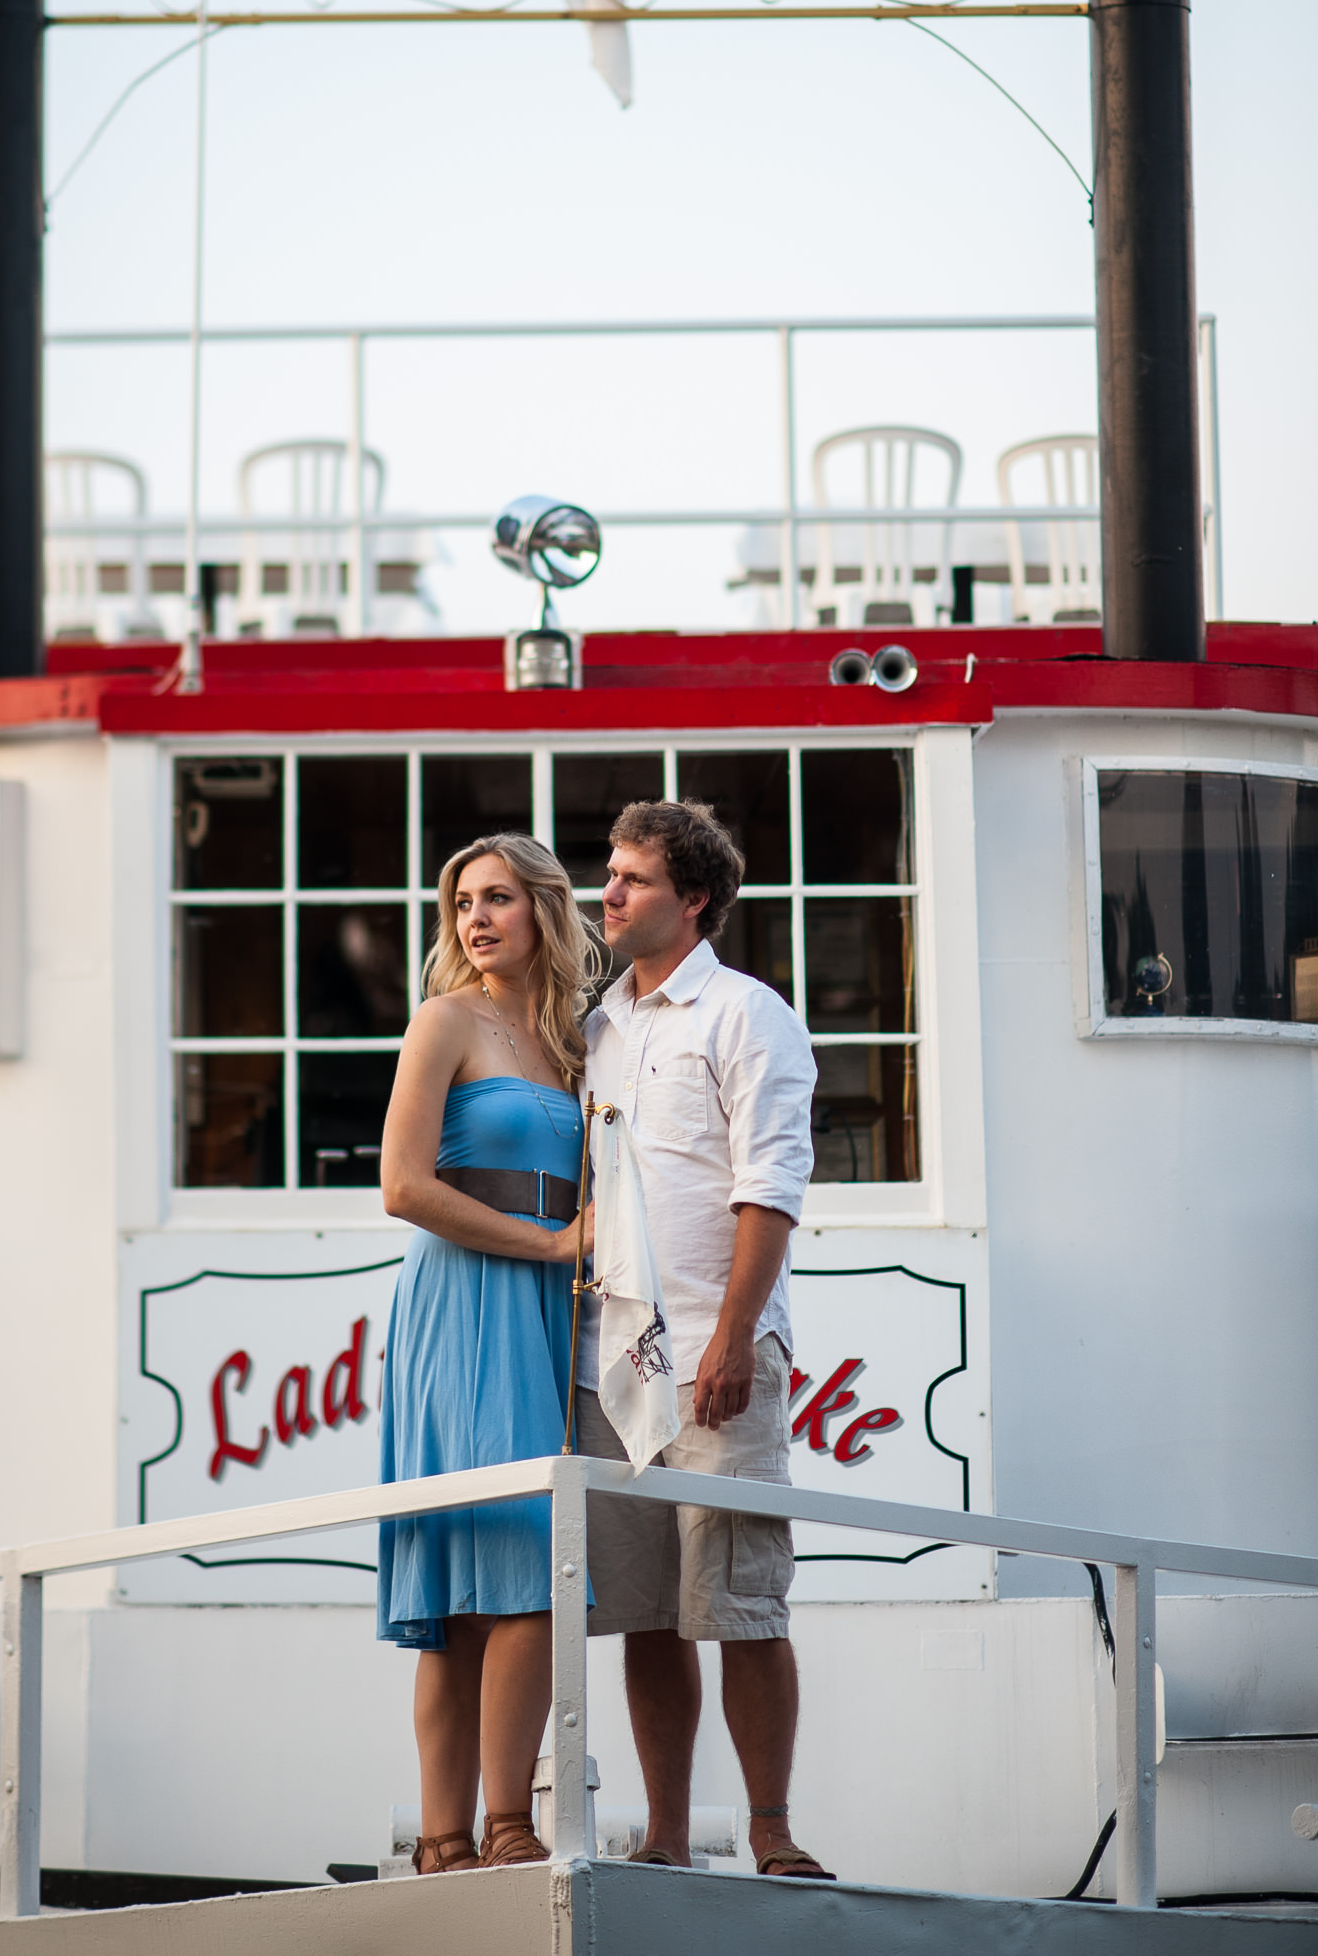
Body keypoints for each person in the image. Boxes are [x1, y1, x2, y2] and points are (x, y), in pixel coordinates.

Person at [574, 798, 832, 1881]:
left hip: (717, 1355)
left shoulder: (747, 1013)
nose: (609, 891)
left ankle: (771, 1830)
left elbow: (767, 1187)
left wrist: (731, 1337)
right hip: (610, 1357)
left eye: (631, 877)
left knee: (741, 1602)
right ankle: (666, 1835)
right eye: (610, 871)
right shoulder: (592, 1022)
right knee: (644, 1613)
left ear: (693, 899)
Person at [378, 833, 603, 1875]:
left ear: (545, 908)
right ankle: (457, 1834)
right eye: (463, 900)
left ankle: (501, 1823)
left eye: (499, 897)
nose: (476, 917)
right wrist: (553, 1243)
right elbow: (403, 1186)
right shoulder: (445, 1019)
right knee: (475, 1566)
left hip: (552, 1310)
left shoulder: (576, 1039)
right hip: (464, 1297)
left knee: (527, 1570)